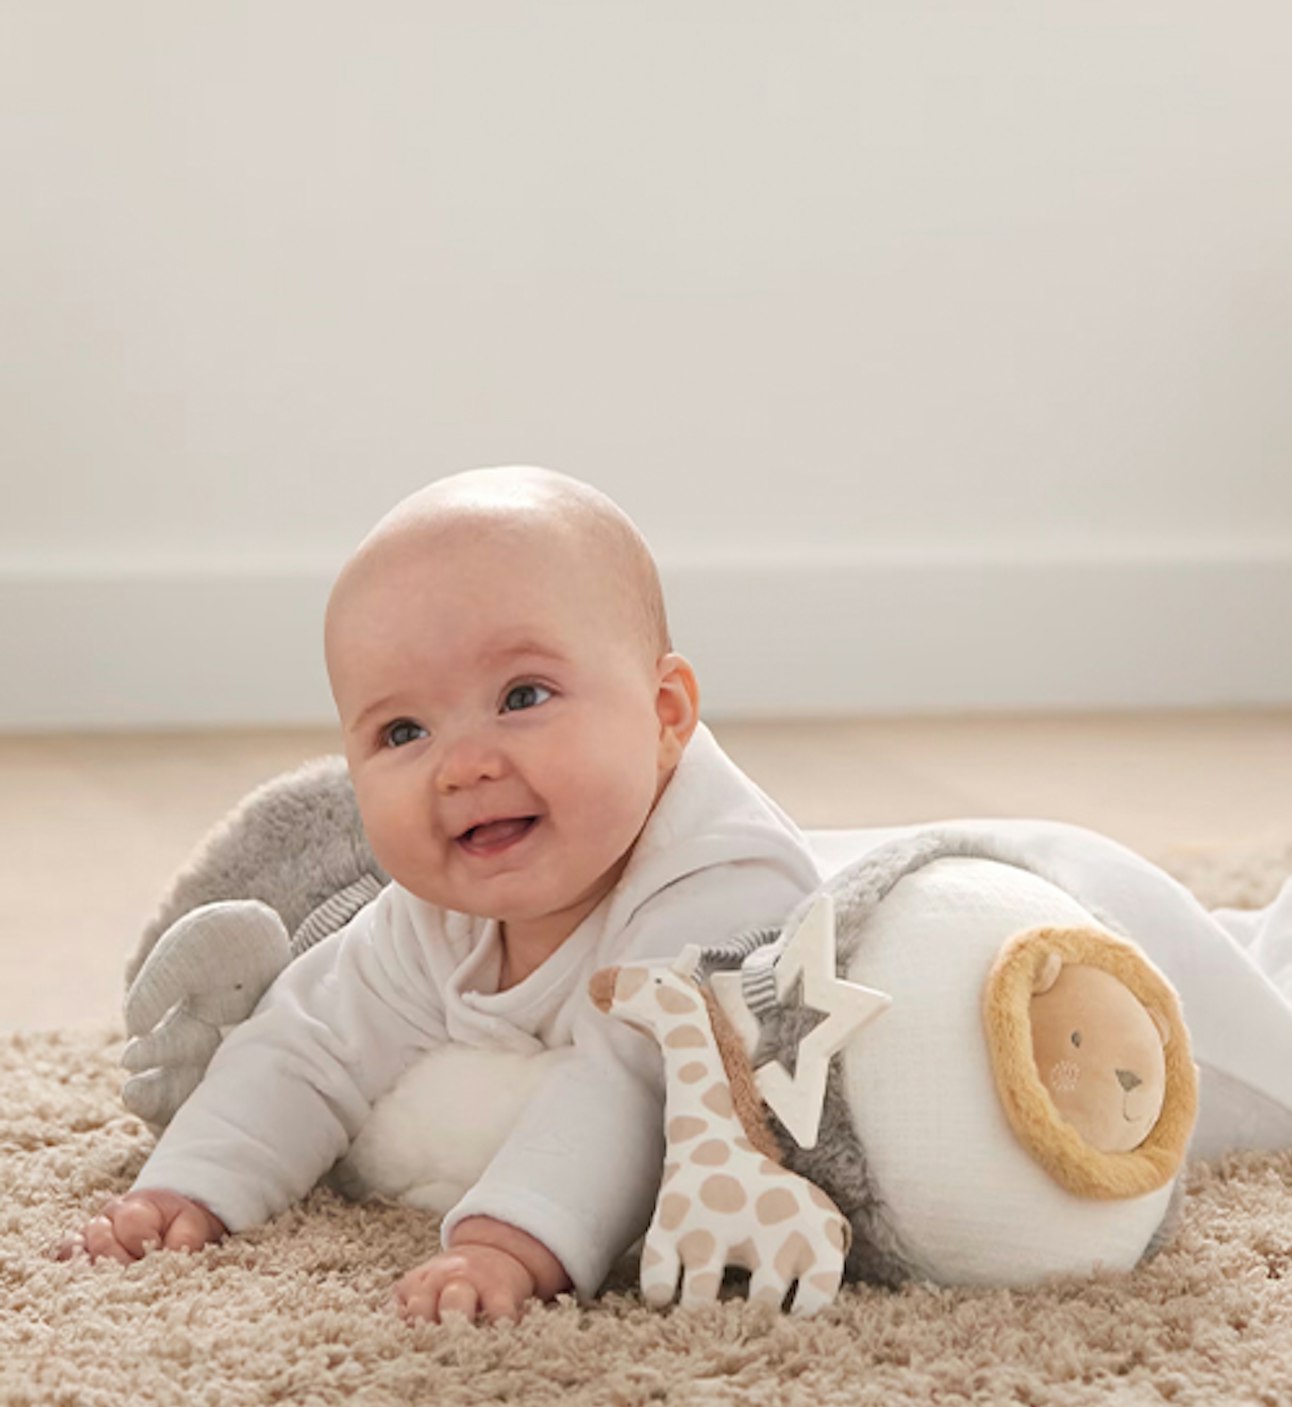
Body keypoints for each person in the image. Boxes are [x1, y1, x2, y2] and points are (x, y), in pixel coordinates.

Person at [58, 465, 824, 1323]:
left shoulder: (721, 883)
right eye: (404, 731)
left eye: (522, 696)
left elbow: (640, 1080)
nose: (463, 765)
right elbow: (307, 1044)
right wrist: (186, 1188)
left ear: (665, 714)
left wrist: (506, 1242)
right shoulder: (439, 907)